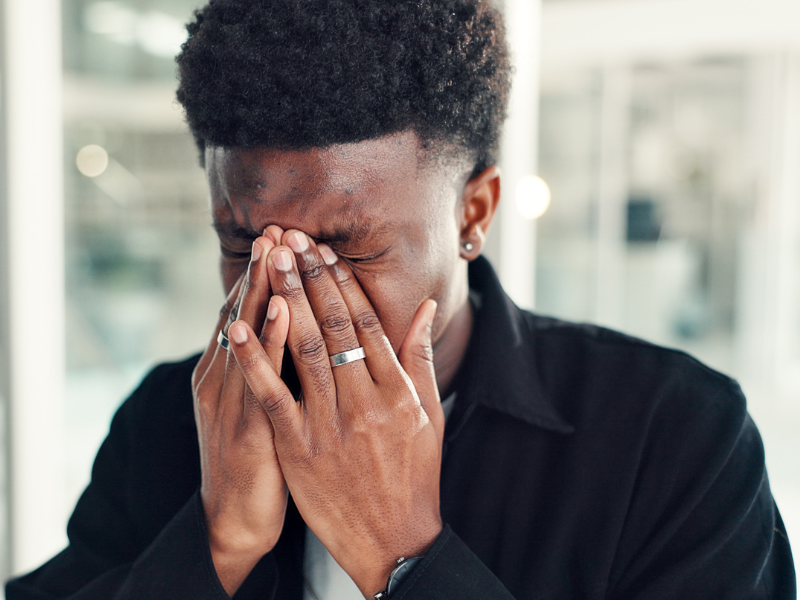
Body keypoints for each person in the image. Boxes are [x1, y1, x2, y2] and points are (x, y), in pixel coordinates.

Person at [6, 0, 796, 598]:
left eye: (349, 248)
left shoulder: (675, 437)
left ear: (473, 214)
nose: (285, 294)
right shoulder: (166, 423)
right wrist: (217, 545)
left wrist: (403, 555)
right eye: (243, 243)